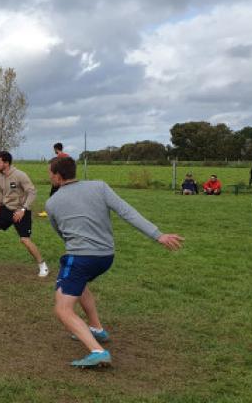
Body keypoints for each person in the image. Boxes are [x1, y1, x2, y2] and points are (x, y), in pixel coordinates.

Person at [44, 156, 183, 367]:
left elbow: (60, 232)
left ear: (58, 176)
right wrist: (158, 235)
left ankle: (97, 352)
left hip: (81, 257)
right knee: (78, 286)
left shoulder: (52, 203)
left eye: (50, 173)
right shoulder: (99, 186)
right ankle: (97, 329)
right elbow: (127, 212)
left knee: (62, 308)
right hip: (106, 257)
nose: (49, 176)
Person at [39, 142, 71, 217]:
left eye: (54, 149)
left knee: (52, 195)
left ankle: (48, 212)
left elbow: (55, 169)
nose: (54, 151)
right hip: (66, 180)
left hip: (59, 180)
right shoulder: (67, 156)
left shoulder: (58, 158)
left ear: (56, 149)